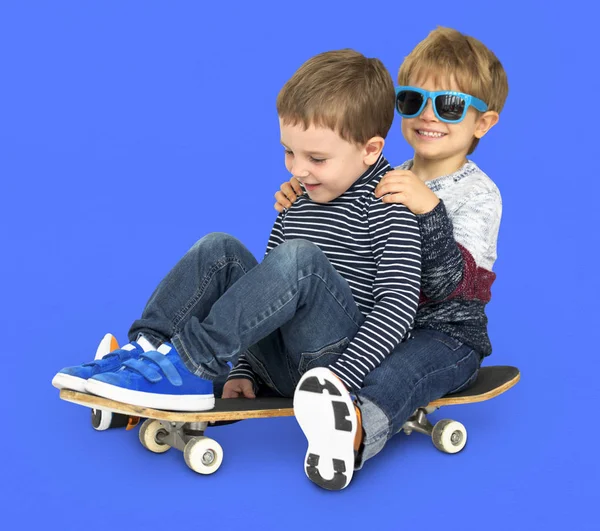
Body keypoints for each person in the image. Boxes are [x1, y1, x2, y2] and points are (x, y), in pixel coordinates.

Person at [52, 48, 422, 490]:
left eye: (316, 159)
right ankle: (147, 355)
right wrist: (247, 369)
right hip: (282, 362)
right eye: (289, 151)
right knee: (220, 248)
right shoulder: (297, 202)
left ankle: (190, 366)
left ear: (370, 150)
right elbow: (262, 299)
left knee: (299, 259)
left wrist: (341, 378)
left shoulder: (390, 207)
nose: (298, 170)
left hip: (334, 362)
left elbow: (399, 309)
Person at [271, 26, 508, 488]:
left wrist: (430, 212)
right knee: (378, 357)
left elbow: (453, 286)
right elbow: (344, 243)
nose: (427, 116)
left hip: (445, 336)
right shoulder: (386, 174)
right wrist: (304, 195)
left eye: (450, 105)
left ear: (483, 123)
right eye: (412, 100)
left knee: (404, 372)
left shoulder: (480, 195)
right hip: (378, 324)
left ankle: (355, 433)